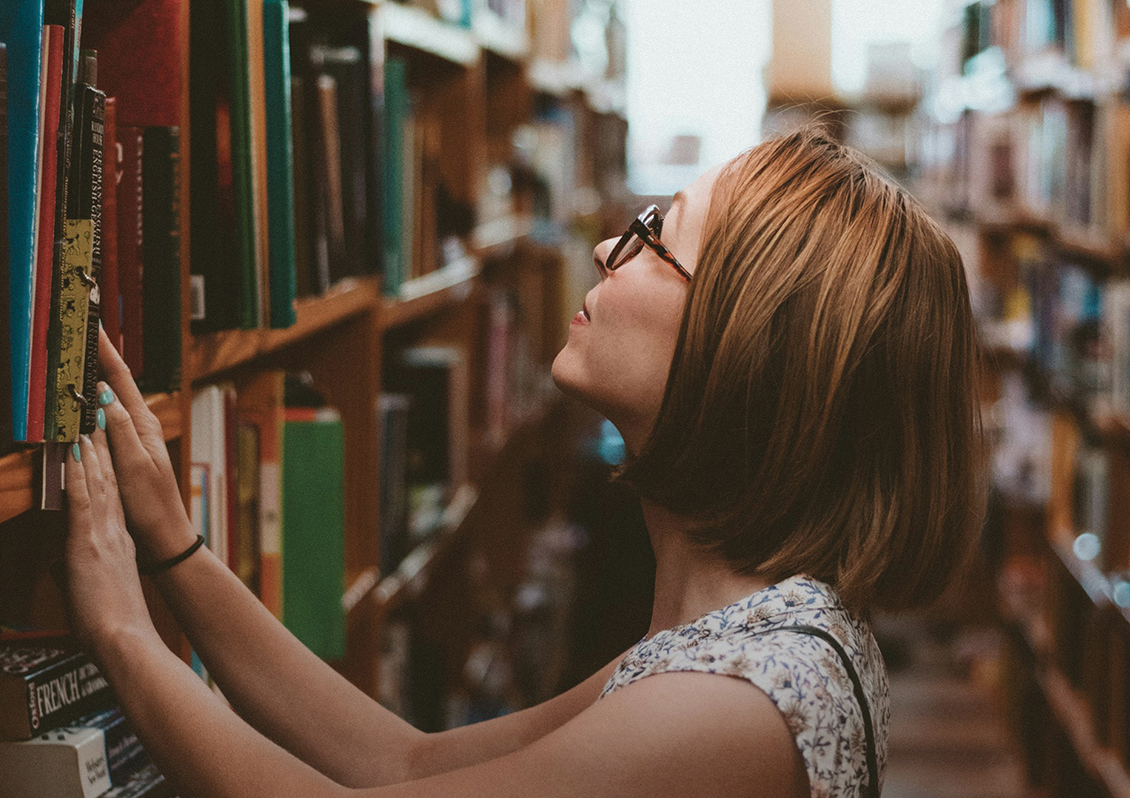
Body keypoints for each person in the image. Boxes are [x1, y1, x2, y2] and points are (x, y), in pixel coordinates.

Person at [64, 127, 984, 798]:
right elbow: (402, 762)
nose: (604, 249)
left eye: (655, 237)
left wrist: (121, 634)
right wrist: (175, 551)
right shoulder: (738, 635)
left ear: (745, 346)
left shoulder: (732, 705)